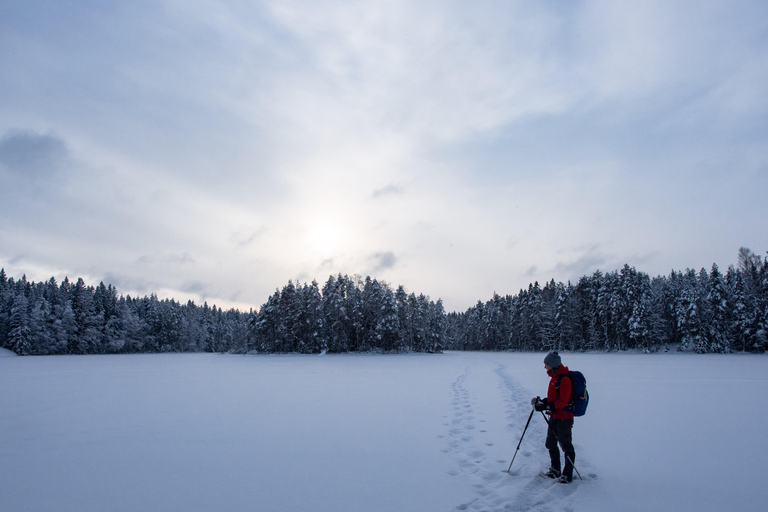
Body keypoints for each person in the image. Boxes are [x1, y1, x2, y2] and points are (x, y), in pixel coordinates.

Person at [531, 351, 575, 483]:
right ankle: (555, 470)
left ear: (553, 365)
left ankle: (568, 474)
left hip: (564, 418)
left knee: (566, 445)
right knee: (550, 443)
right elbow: (554, 398)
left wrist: (547, 406)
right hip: (554, 416)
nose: (545, 367)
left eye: (547, 365)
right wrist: (544, 402)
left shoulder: (564, 380)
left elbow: (563, 401)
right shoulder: (554, 379)